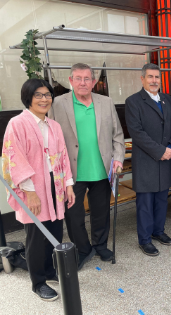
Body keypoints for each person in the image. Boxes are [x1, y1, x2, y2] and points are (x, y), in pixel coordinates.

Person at [2, 79, 76, 301]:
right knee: (36, 237)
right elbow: (14, 158)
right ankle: (38, 282)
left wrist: (69, 185)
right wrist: (30, 193)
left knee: (54, 232)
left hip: (55, 186)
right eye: (38, 95)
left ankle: (50, 271)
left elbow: (63, 156)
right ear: (28, 98)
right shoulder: (17, 123)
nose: (44, 99)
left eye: (47, 95)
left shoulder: (54, 125)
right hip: (32, 189)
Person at [48, 63, 124, 267]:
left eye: (87, 79)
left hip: (101, 169)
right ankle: (83, 249)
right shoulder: (57, 104)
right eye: (78, 78)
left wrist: (118, 157)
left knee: (101, 212)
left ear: (93, 82)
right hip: (71, 173)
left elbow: (117, 135)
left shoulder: (106, 102)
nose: (83, 82)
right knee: (73, 215)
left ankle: (100, 245)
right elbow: (50, 138)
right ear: (70, 81)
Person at [125, 64, 171, 256]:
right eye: (150, 77)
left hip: (165, 159)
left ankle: (158, 231)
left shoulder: (167, 100)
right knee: (145, 203)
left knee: (162, 199)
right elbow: (136, 133)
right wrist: (160, 150)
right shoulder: (133, 101)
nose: (154, 80)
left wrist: (170, 147)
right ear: (142, 79)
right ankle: (145, 239)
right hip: (146, 159)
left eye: (157, 77)